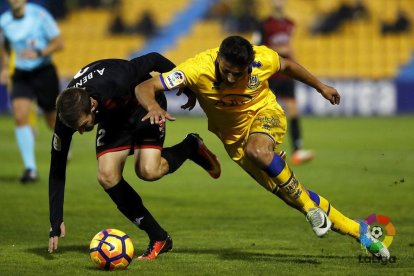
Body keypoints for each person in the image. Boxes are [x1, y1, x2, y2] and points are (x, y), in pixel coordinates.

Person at [135, 35, 390, 260]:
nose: (232, 77)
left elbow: (287, 65)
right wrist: (153, 106)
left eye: (239, 73)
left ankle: (312, 210)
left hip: (266, 115)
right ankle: (360, 232)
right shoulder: (196, 68)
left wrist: (320, 86)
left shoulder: (261, 59)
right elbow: (145, 86)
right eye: (227, 71)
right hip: (234, 141)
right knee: (291, 195)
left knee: (258, 151)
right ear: (219, 58)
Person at [47, 53, 221, 260]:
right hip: (113, 120)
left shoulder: (117, 78)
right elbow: (57, 168)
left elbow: (155, 59)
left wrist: (185, 87)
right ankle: (158, 237)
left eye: (84, 126)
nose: (82, 132)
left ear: (92, 105)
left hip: (145, 105)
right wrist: (55, 221)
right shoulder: (66, 115)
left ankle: (190, 147)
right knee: (106, 176)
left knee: (148, 171)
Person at [0, 0, 64, 183]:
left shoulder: (40, 15)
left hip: (44, 71)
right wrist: (4, 67)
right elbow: (4, 46)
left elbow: (59, 43)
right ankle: (30, 168)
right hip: (21, 74)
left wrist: (39, 53)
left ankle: (66, 142)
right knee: (20, 116)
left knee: (52, 120)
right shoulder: (4, 20)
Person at [252, 0, 313, 165]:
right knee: (262, 112)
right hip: (270, 74)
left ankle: (297, 150)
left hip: (285, 74)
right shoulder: (264, 24)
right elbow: (256, 48)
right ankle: (255, 146)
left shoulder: (289, 23)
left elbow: (290, 47)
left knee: (293, 110)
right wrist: (278, 51)